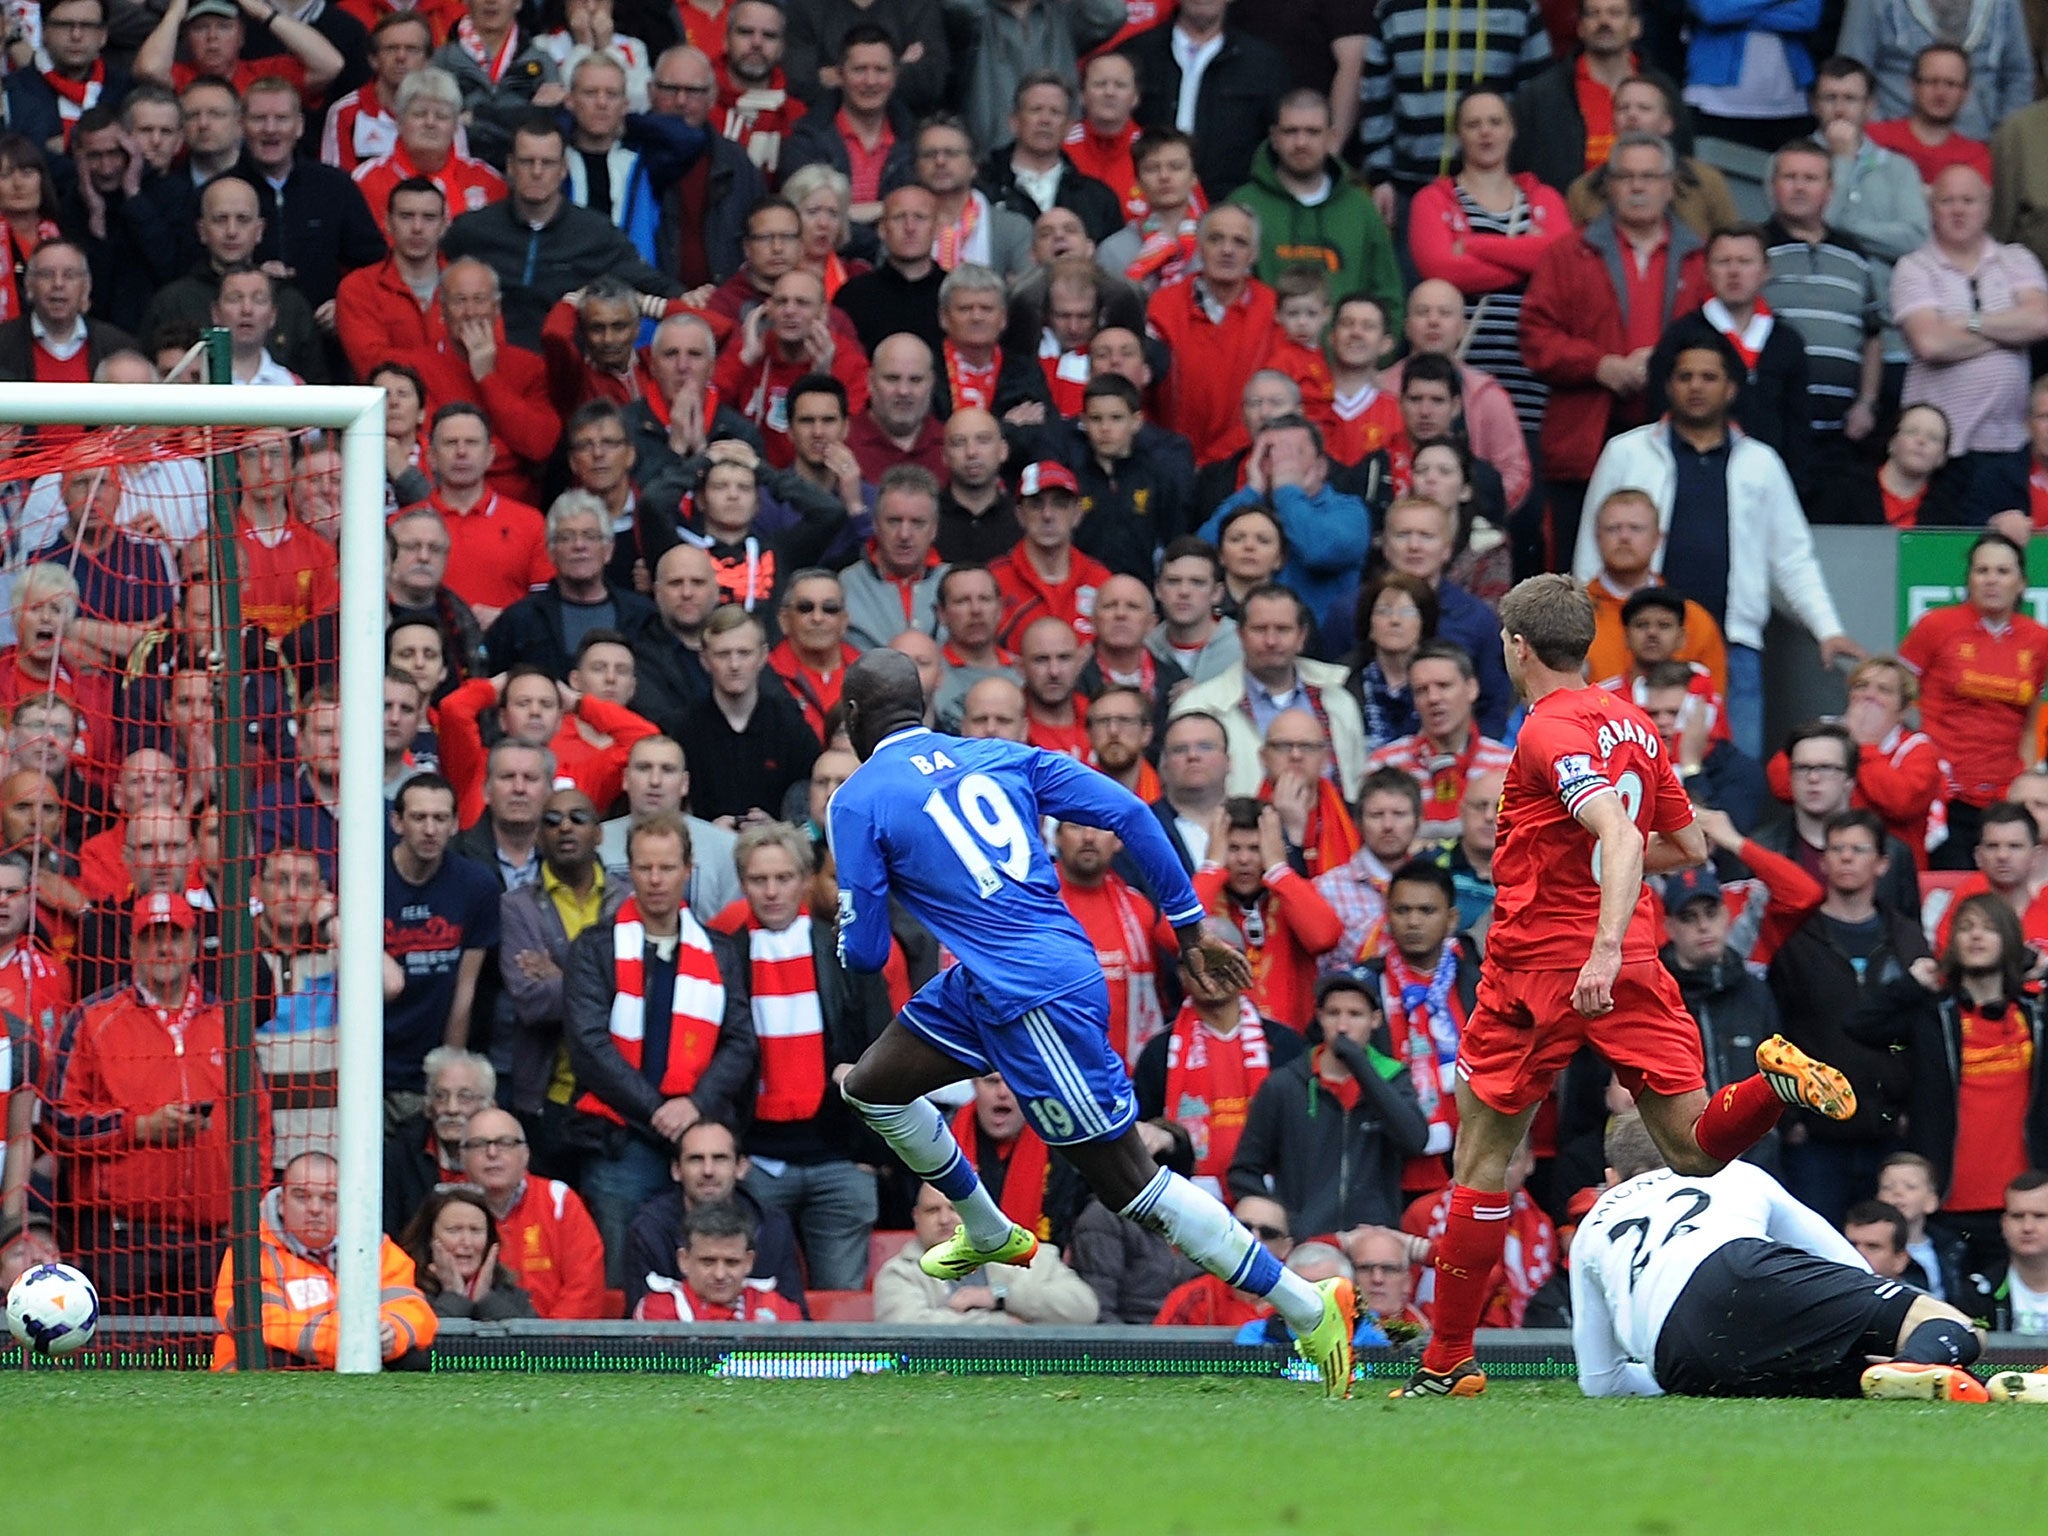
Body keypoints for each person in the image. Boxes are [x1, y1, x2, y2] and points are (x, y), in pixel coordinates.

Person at [830, 648, 1360, 1393]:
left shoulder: (856, 799)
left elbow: (864, 952)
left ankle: (1307, 1306)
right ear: (924, 708)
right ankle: (987, 1230)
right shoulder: (1001, 754)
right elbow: (1128, 811)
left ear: (853, 718)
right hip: (995, 980)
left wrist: (854, 908)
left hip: (1031, 997)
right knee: (875, 1085)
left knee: (1129, 1186)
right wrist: (1188, 928)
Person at [1393, 576, 1861, 1400]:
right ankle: (1773, 1084)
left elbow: (1614, 825)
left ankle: (1449, 1363)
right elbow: (1684, 845)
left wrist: (1598, 943)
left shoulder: (1548, 728)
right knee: (1691, 1150)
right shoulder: (1635, 723)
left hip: (1545, 966)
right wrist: (1617, 919)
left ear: (1516, 645)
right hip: (1638, 958)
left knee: (1482, 1158)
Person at [1576, 336, 1861, 760]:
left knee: (1735, 767)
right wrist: (1578, 628)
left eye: (1709, 377)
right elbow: (1591, 542)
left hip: (1733, 642)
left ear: (1731, 388)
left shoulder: (1760, 462)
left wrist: (1827, 628)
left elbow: (1793, 555)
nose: (1696, 386)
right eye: (1685, 376)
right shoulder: (1627, 452)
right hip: (1637, 640)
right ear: (1668, 386)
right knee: (1624, 764)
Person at [1571, 1112, 1989, 1400]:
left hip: (1677, 1360)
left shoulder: (1589, 1229)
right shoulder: (1730, 1171)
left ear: (1611, 1178)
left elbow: (1600, 1381)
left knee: (1846, 1376)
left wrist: (1661, 1374)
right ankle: (1916, 1363)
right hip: (1736, 1268)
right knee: (1954, 1324)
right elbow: (1851, 1268)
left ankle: (1904, 1373)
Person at [563, 810, 756, 1278]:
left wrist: (694, 1105)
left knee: (712, 1267)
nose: (655, 880)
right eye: (644, 868)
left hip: (701, 1135)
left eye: (667, 868)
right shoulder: (594, 947)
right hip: (621, 1140)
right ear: (628, 871)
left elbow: (741, 1041)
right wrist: (656, 1110)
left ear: (688, 870)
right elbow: (589, 1046)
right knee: (620, 1272)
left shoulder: (720, 949)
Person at [53, 890, 260, 1313]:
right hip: (124, 1238)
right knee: (122, 1366)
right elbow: (59, 1121)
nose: (164, 948)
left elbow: (258, 1123)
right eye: (151, 938)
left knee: (209, 1368)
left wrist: (246, 1208)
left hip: (212, 1237)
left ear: (194, 945)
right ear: (132, 948)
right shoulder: (93, 1019)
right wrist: (140, 1128)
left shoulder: (229, 1021)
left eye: (175, 936)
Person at [1522, 131, 1709, 572]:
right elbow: (1534, 334)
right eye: (1625, 177)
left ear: (1669, 185)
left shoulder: (1701, 258)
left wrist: (1667, 365)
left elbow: (1720, 344)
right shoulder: (1568, 253)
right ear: (1607, 184)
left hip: (1675, 433)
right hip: (1584, 439)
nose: (1638, 187)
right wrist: (1599, 365)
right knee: (1575, 566)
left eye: (1649, 176)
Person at [717, 819, 889, 1290]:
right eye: (758, 880)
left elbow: (880, 1047)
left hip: (838, 1160)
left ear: (805, 880)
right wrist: (731, 1150)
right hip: (755, 1163)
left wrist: (869, 1153)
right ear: (742, 883)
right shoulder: (721, 955)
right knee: (753, 1303)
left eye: (784, 878)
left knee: (843, 1316)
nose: (772, 892)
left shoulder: (845, 951)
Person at [1855, 894, 2048, 1277]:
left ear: (2009, 939)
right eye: (1966, 927)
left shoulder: (2035, 1015)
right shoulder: (1931, 1014)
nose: (1976, 936)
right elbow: (1860, 1025)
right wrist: (1911, 984)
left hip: (2023, 1205)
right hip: (1943, 1201)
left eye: (1989, 928)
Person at [1764, 809, 1927, 1228]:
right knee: (1816, 1253)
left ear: (1882, 863)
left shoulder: (1908, 937)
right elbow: (1773, 1026)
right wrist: (1789, 1117)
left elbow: (1920, 1028)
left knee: (1883, 1259)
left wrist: (1913, 1107)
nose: (1846, 858)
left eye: (1858, 849)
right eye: (1836, 849)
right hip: (1814, 1137)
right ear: (1822, 861)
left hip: (1888, 1130)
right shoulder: (1796, 937)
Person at [1408, 90, 1571, 439]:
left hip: (1533, 377)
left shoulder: (1545, 198)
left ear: (1512, 130)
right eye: (1473, 124)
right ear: (1458, 135)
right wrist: (1528, 258)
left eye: (1495, 122)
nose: (1486, 132)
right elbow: (1443, 271)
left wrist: (1473, 244)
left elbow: (1562, 262)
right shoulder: (1432, 200)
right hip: (1460, 377)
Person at [1894, 168, 2048, 515]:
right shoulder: (1914, 267)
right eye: (1947, 201)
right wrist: (2009, 335)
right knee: (1939, 556)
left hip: (2008, 447)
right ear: (1933, 208)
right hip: (1938, 450)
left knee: (2001, 558)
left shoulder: (2016, 259)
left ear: (1987, 207)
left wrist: (1971, 322)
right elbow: (1930, 343)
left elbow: (2041, 320)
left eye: (1968, 200)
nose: (1958, 210)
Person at [1228, 973, 1431, 1235]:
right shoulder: (1284, 1084)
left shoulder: (1392, 1079)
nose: (1343, 1026)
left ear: (1376, 1020)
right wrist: (1284, 1222)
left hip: (1371, 1246)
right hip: (1307, 1246)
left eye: (1355, 1014)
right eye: (1334, 1013)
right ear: (1320, 1017)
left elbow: (1415, 1140)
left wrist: (1361, 1066)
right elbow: (1244, 1170)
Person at [1898, 533, 2048, 867]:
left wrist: (2027, 777)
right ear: (1969, 579)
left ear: (2021, 583)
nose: (1992, 579)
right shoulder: (1936, 625)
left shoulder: (2039, 640)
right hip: (1944, 791)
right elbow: (1896, 695)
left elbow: (2029, 723)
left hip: (2005, 797)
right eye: (1982, 570)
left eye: (2002, 571)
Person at [213, 1152, 436, 1370]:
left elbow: (415, 1309)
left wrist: (392, 1332)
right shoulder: (252, 1250)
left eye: (330, 1198)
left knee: (413, 1357)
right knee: (272, 1352)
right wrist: (347, 1340)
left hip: (346, 1371)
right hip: (261, 1382)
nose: (315, 1209)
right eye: (302, 1196)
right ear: (281, 1202)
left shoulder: (377, 1249)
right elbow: (259, 1323)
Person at [1172, 585, 1369, 802]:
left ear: (1302, 636)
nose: (1271, 641)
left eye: (1283, 629)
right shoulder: (1199, 706)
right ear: (1240, 635)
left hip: (1331, 833)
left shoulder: (1338, 701)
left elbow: (1357, 787)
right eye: (1260, 629)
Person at [382, 774, 499, 1107]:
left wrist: (449, 1074)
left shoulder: (477, 884)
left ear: (455, 824)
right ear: (397, 822)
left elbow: (465, 988)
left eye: (440, 818)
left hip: (429, 1057)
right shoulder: (367, 874)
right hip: (370, 1054)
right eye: (419, 818)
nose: (430, 829)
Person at [621, 1114, 807, 1311]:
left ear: (741, 1168)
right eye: (696, 1159)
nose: (708, 1171)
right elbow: (642, 1323)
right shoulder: (649, 1228)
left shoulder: (772, 1225)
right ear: (676, 1170)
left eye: (720, 1158)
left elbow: (794, 1317)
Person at [1145, 206, 1276, 467]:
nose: (1227, 250)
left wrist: (1216, 461)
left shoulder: (1274, 311)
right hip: (1168, 462)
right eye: (1216, 239)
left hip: (1246, 465)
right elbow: (1143, 393)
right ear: (1199, 246)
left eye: (1240, 242)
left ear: (1254, 254)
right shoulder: (1163, 306)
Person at [1753, 721, 1924, 918]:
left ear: (1850, 780)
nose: (1813, 778)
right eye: (1802, 768)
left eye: (1826, 768)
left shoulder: (1894, 854)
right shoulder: (1759, 849)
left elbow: (1910, 941)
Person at [1118, 0, 1283, 200]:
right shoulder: (1137, 53)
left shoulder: (1262, 62)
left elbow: (1277, 140)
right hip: (1142, 202)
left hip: (1229, 205)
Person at [874, 1180, 1101, 1324]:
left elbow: (1084, 1308)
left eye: (955, 1208)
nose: (944, 1219)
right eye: (932, 1210)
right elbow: (906, 1329)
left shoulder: (1031, 1256)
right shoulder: (898, 1273)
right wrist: (1006, 1326)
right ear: (916, 1218)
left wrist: (1000, 1296)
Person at [457, 1105, 608, 1317]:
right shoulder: (448, 1209)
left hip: (556, 1344)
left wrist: (548, 1345)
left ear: (525, 1154)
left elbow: (585, 1288)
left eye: (505, 1143)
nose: (492, 1153)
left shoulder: (559, 1201)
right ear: (462, 1157)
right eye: (479, 1144)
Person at [1368, 642, 1515, 844]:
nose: (1433, 698)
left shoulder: (1508, 765)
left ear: (1472, 689)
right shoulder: (1385, 764)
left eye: (1444, 686)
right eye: (1421, 690)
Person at [1838, 12, 2028, 149]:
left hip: (1980, 141)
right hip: (1891, 142)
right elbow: (1852, 73)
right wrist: (1877, 139)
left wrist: (2001, 138)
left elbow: (2019, 75)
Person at [636, 1198, 805, 1320]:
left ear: (749, 1262)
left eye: (732, 1262)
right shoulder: (657, 1311)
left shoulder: (778, 1309)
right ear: (684, 1260)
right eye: (708, 1262)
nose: (719, 1274)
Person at [399, 1185, 539, 1320]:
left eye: (475, 1230)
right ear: (429, 1238)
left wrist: (486, 1300)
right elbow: (423, 1343)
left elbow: (533, 1344)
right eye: (454, 1230)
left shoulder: (514, 1297)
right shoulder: (407, 1294)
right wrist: (454, 1297)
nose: (467, 1242)